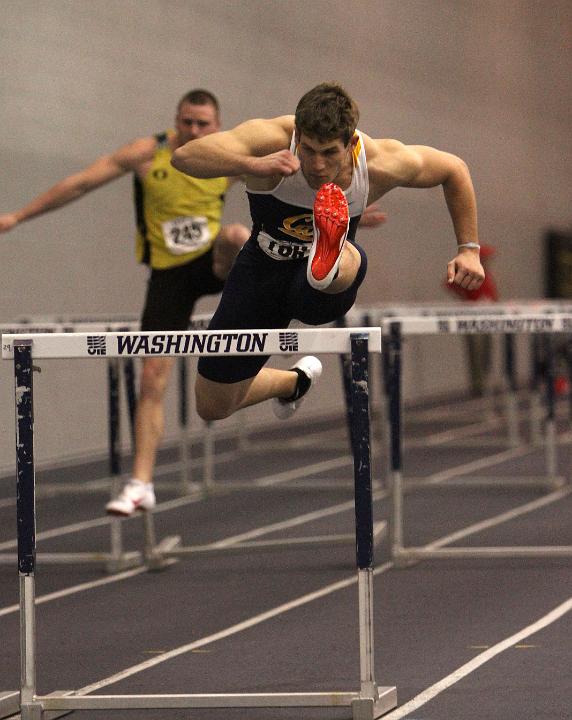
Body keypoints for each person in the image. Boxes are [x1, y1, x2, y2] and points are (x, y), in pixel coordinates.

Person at [169, 82, 485, 424]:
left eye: (330, 153)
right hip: (262, 270)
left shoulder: (379, 161)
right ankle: (295, 381)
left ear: (351, 144)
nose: (317, 165)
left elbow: (454, 170)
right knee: (212, 406)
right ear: (298, 135)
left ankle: (331, 251)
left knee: (341, 265)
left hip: (321, 286)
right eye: (308, 150)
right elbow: (184, 157)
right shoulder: (273, 137)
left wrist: (469, 249)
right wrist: (252, 165)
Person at [0, 89, 250, 516]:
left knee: (237, 236)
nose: (193, 130)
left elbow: (296, 178)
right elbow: (80, 183)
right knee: (152, 376)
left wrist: (351, 212)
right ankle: (141, 484)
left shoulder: (227, 156)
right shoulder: (146, 153)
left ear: (217, 126)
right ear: (176, 118)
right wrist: (18, 216)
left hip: (214, 263)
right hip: (170, 277)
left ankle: (268, 307)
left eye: (202, 124)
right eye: (186, 121)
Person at [445, 244, 499, 396]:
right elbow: (449, 283)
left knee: (486, 350)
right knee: (476, 350)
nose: (488, 261)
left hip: (488, 317)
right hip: (473, 317)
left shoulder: (486, 275)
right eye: (486, 258)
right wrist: (464, 298)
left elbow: (492, 294)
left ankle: (485, 381)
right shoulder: (468, 272)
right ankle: (478, 385)